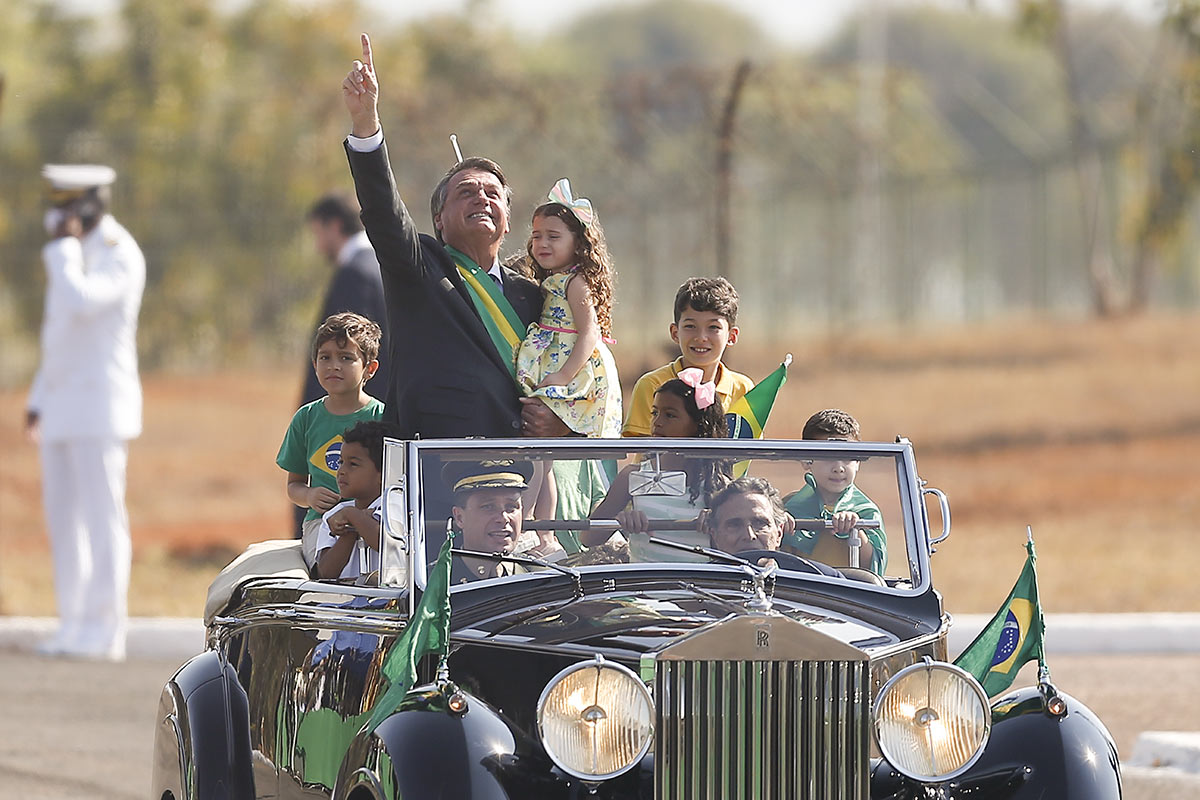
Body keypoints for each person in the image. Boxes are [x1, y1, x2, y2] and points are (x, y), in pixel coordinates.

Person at [340, 35, 568, 443]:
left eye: (492, 193)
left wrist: (563, 424)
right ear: (439, 220)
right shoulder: (421, 268)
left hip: (518, 466)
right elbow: (383, 210)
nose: (481, 198)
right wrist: (365, 123)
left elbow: (571, 371)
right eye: (466, 192)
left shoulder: (534, 295)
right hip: (436, 460)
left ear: (508, 221)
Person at [26, 163, 146, 660]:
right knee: (63, 521)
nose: (57, 220)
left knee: (102, 519)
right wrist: (38, 397)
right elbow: (60, 334)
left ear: (90, 205)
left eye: (67, 208)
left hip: (99, 406)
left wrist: (63, 251)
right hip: (61, 406)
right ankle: (72, 623)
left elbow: (80, 303)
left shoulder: (118, 252)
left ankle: (105, 629)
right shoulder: (73, 253)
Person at [514, 179, 621, 438]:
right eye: (537, 236)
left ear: (578, 243)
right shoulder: (554, 280)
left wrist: (564, 375)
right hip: (555, 360)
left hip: (572, 365)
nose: (543, 243)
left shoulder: (575, 282)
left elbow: (589, 332)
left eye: (553, 237)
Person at [585, 371, 731, 560]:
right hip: (645, 578)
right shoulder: (633, 476)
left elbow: (735, 547)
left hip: (699, 579)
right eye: (655, 413)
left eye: (670, 415)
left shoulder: (719, 484)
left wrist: (718, 525)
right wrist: (621, 520)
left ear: (698, 424)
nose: (657, 422)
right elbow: (588, 538)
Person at [277, 312, 384, 565]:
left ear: (369, 368)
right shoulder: (306, 418)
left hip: (373, 519)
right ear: (314, 365)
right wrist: (309, 496)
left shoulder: (383, 417)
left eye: (346, 358)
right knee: (327, 573)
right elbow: (294, 485)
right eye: (325, 357)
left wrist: (362, 516)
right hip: (321, 523)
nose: (334, 366)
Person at [623, 276, 754, 437]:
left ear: (731, 336)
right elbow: (643, 448)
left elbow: (749, 447)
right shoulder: (651, 385)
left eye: (713, 327)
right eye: (690, 326)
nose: (701, 337)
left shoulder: (743, 389)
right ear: (675, 333)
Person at [301, 192, 390, 408]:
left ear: (334, 226)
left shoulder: (355, 274)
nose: (318, 246)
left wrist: (315, 418)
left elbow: (343, 350)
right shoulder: (380, 264)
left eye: (318, 233)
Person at [782, 409, 887, 576]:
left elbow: (873, 566)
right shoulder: (789, 506)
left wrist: (855, 529)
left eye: (847, 456)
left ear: (858, 462)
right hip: (799, 589)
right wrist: (778, 524)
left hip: (844, 590)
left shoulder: (865, 510)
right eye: (827, 456)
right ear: (806, 460)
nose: (838, 468)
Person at [314, 420, 398, 581]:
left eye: (353, 464)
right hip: (346, 596)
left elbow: (386, 544)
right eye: (341, 462)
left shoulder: (395, 503)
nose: (341, 471)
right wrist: (350, 529)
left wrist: (352, 515)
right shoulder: (333, 515)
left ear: (384, 473)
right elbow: (325, 573)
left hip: (388, 595)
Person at [442, 459, 534, 584]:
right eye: (488, 507)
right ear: (459, 517)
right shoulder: (434, 584)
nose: (503, 518)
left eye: (511, 507)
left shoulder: (543, 579)